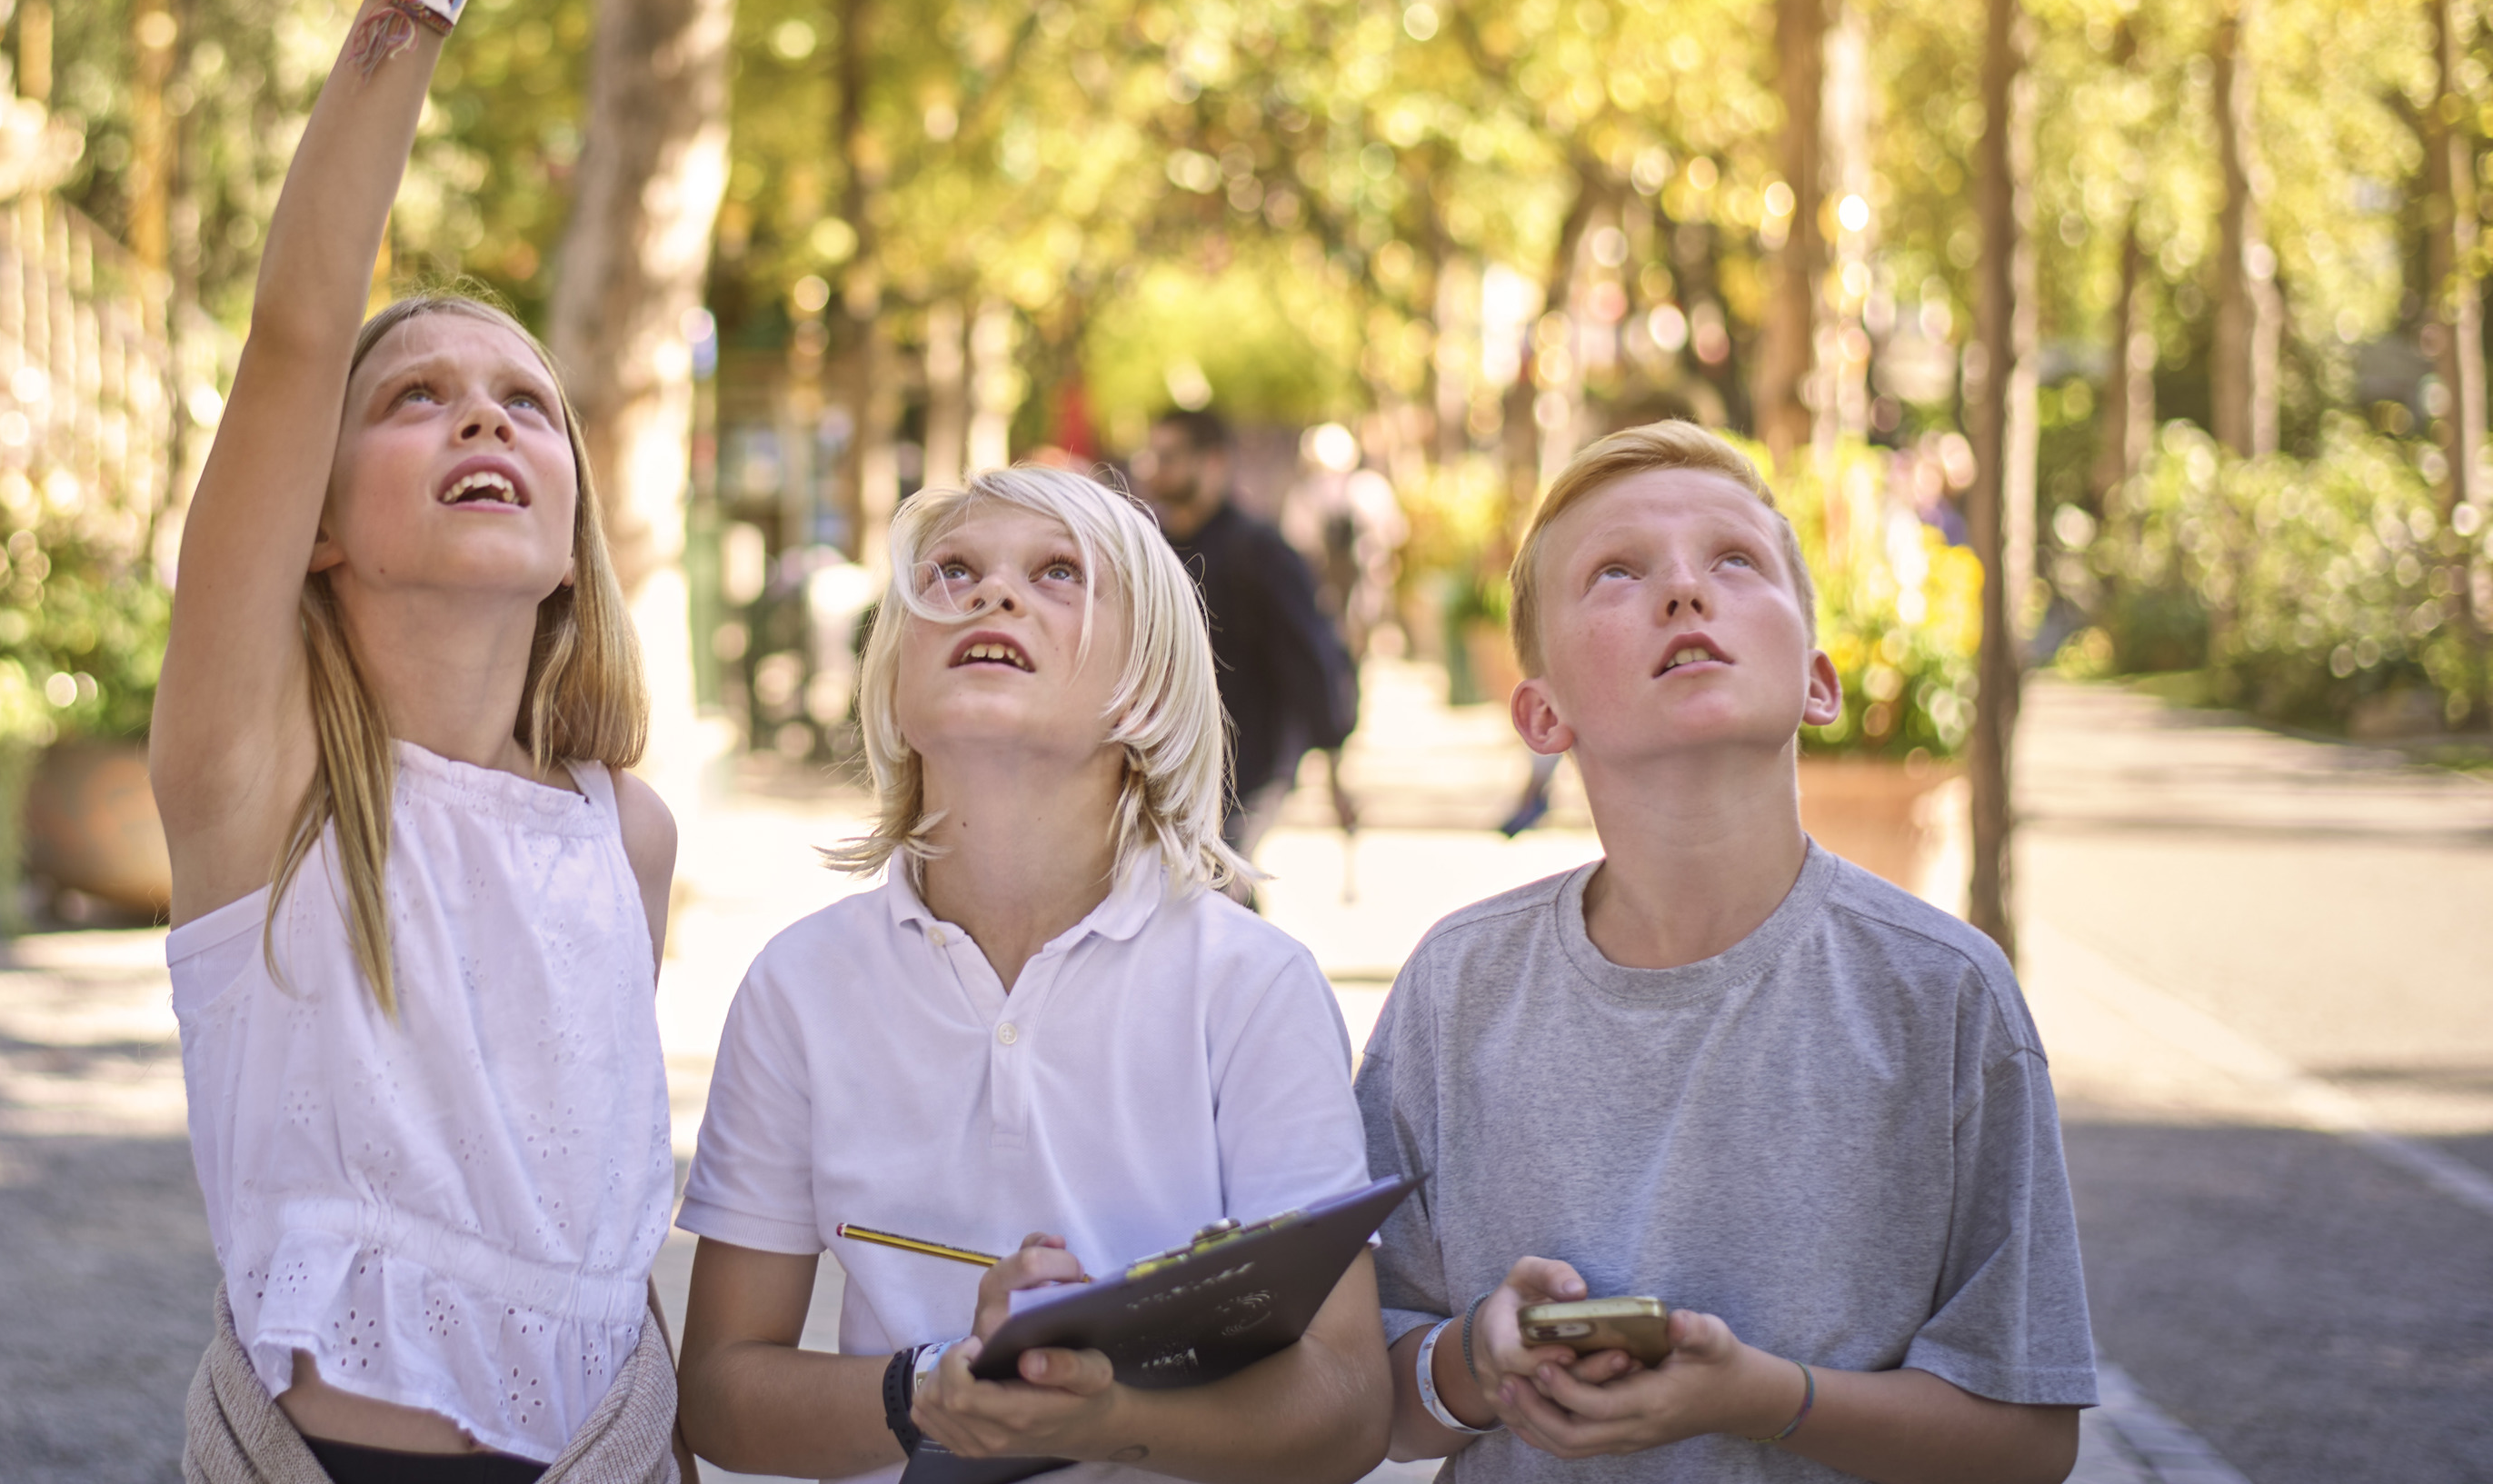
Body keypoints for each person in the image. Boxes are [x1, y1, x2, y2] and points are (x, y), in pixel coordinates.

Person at [148, 0, 688, 1484]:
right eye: (420, 399)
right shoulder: (263, 785)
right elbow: (301, 329)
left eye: (527, 404)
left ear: (569, 529)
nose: (486, 420)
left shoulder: (627, 836)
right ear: (317, 509)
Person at [1355, 422, 2094, 1480]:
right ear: (1542, 714)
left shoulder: (1944, 995)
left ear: (1820, 684)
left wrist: (1770, 1401)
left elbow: (2027, 1440)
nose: (1684, 593)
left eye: (1735, 561)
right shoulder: (1455, 988)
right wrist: (1478, 1360)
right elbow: (1358, 1403)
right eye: (1617, 572)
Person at [675, 464, 1395, 1484]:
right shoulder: (797, 986)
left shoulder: (1255, 986)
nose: (993, 592)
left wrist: (1103, 1417)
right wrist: (927, 1390)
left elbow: (1352, 1404)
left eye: (1059, 574)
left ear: (1147, 690)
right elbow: (718, 1391)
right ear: (892, 680)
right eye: (952, 572)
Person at [1132, 410, 1358, 868]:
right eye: (1153, 456)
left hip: (1251, 759)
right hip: (1166, 754)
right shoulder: (1149, 548)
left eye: (1170, 456)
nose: (1157, 469)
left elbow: (1310, 657)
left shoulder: (1260, 551)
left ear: (1213, 462)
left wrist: (1333, 765)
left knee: (1221, 873)